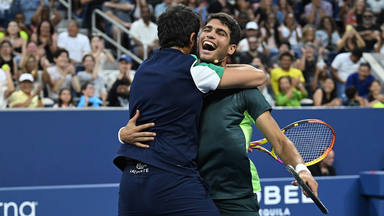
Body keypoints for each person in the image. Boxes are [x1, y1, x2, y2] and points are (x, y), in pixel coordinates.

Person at [119, 10, 318, 216]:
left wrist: (302, 170)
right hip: (187, 189)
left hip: (234, 197)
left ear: (231, 48)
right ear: (195, 38)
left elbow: (279, 141)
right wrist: (123, 133)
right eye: (207, 29)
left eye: (220, 33)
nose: (211, 34)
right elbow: (153, 117)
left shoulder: (244, 92)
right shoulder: (184, 78)